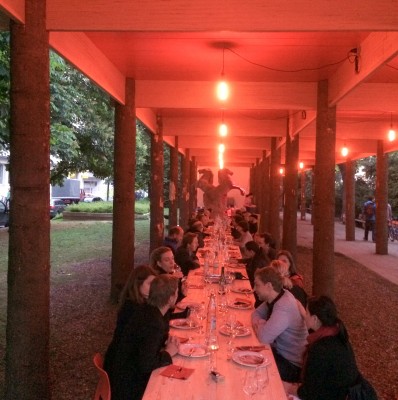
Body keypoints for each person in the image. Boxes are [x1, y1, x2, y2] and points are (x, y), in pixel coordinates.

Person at [104, 274, 180, 400]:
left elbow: (145, 346)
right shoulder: (153, 323)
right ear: (171, 298)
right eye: (176, 293)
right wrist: (168, 353)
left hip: (121, 373)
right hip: (129, 386)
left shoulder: (147, 310)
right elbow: (146, 364)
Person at [285, 296, 360, 400]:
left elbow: (309, 393)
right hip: (342, 392)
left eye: (307, 313)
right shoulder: (336, 334)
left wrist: (288, 387)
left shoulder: (321, 349)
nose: (305, 316)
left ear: (315, 319)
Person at [251, 267, 308, 383]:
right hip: (280, 353)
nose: (254, 289)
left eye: (257, 285)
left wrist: (262, 325)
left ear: (268, 286)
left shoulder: (284, 305)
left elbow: (263, 337)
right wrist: (264, 324)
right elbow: (255, 313)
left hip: (292, 365)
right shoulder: (277, 296)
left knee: (251, 367)